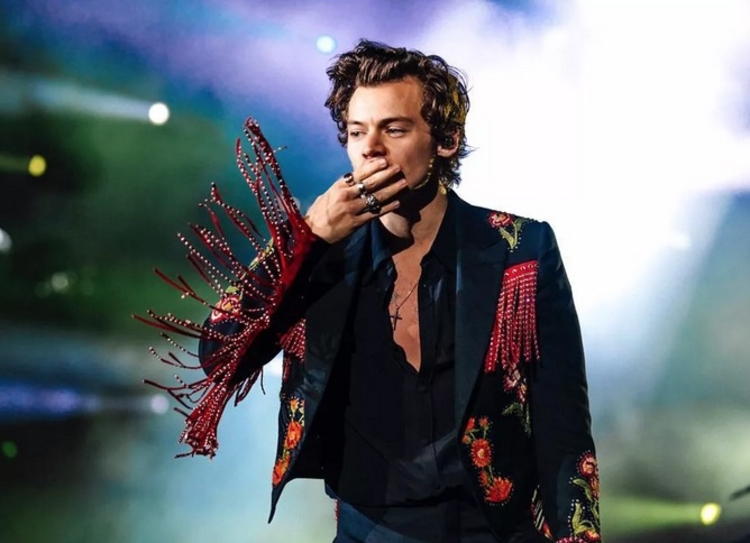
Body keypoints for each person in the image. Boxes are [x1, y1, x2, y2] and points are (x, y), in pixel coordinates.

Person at [176, 40, 601, 542]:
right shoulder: (317, 254)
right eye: (357, 131)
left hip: (494, 530)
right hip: (370, 530)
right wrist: (306, 239)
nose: (370, 148)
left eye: (394, 129)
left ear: (445, 140)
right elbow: (217, 354)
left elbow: (564, 429)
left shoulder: (520, 249)